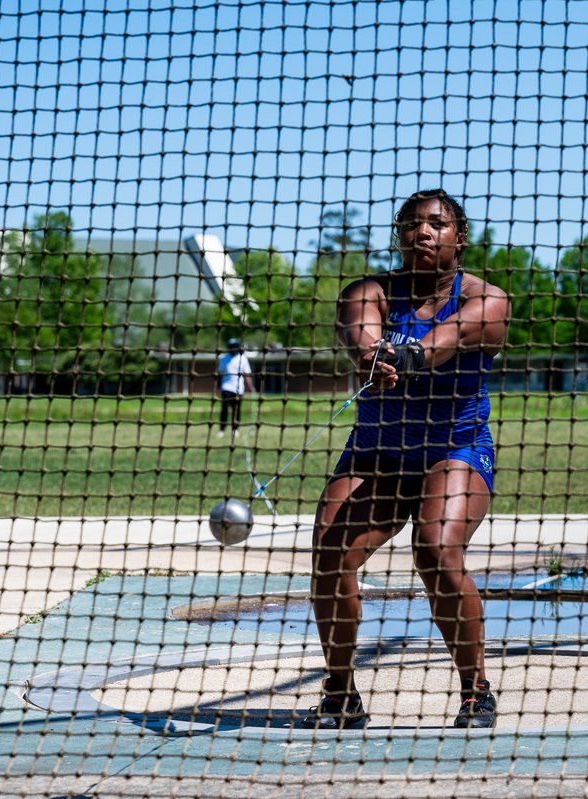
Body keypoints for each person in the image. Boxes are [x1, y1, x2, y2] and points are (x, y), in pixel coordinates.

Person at [299, 189, 510, 730]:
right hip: (377, 454)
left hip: (454, 450)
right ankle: (340, 691)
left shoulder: (487, 300)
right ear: (398, 236)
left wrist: (411, 355)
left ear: (459, 238)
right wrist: (372, 354)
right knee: (329, 549)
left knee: (436, 550)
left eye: (436, 225)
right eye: (411, 224)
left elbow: (450, 337)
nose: (422, 232)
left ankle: (475, 688)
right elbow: (358, 329)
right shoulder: (368, 291)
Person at [216, 338, 254, 439]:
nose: (233, 349)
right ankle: (222, 430)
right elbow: (220, 374)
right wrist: (218, 388)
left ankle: (235, 429)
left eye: (235, 347)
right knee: (224, 409)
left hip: (238, 388)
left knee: (236, 409)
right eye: (231, 347)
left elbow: (247, 374)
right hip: (226, 387)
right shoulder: (223, 358)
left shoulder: (243, 358)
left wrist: (251, 387)